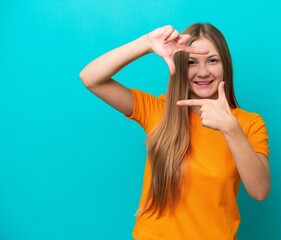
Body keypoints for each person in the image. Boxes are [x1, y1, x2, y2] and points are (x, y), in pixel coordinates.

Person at [79, 23, 270, 240]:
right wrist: (146, 44)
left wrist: (230, 129)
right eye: (191, 62)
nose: (203, 72)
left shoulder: (247, 123)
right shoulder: (157, 111)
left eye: (212, 60)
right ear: (179, 66)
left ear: (225, 64)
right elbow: (91, 78)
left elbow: (260, 191)